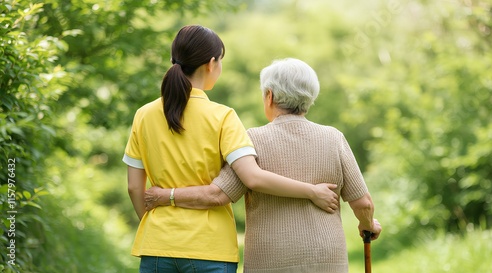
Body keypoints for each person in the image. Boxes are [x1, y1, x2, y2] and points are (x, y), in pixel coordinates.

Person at [123, 26, 338, 273]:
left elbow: (134, 187)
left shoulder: (144, 115)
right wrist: (311, 192)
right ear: (211, 63)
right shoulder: (222, 117)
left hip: (156, 246)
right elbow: (253, 178)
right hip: (209, 248)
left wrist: (157, 227)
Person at [145, 58, 382, 273]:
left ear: (269, 96)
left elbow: (217, 195)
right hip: (327, 260)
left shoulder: (252, 141)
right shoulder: (334, 138)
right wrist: (367, 224)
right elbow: (363, 202)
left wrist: (163, 196)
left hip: (268, 262)